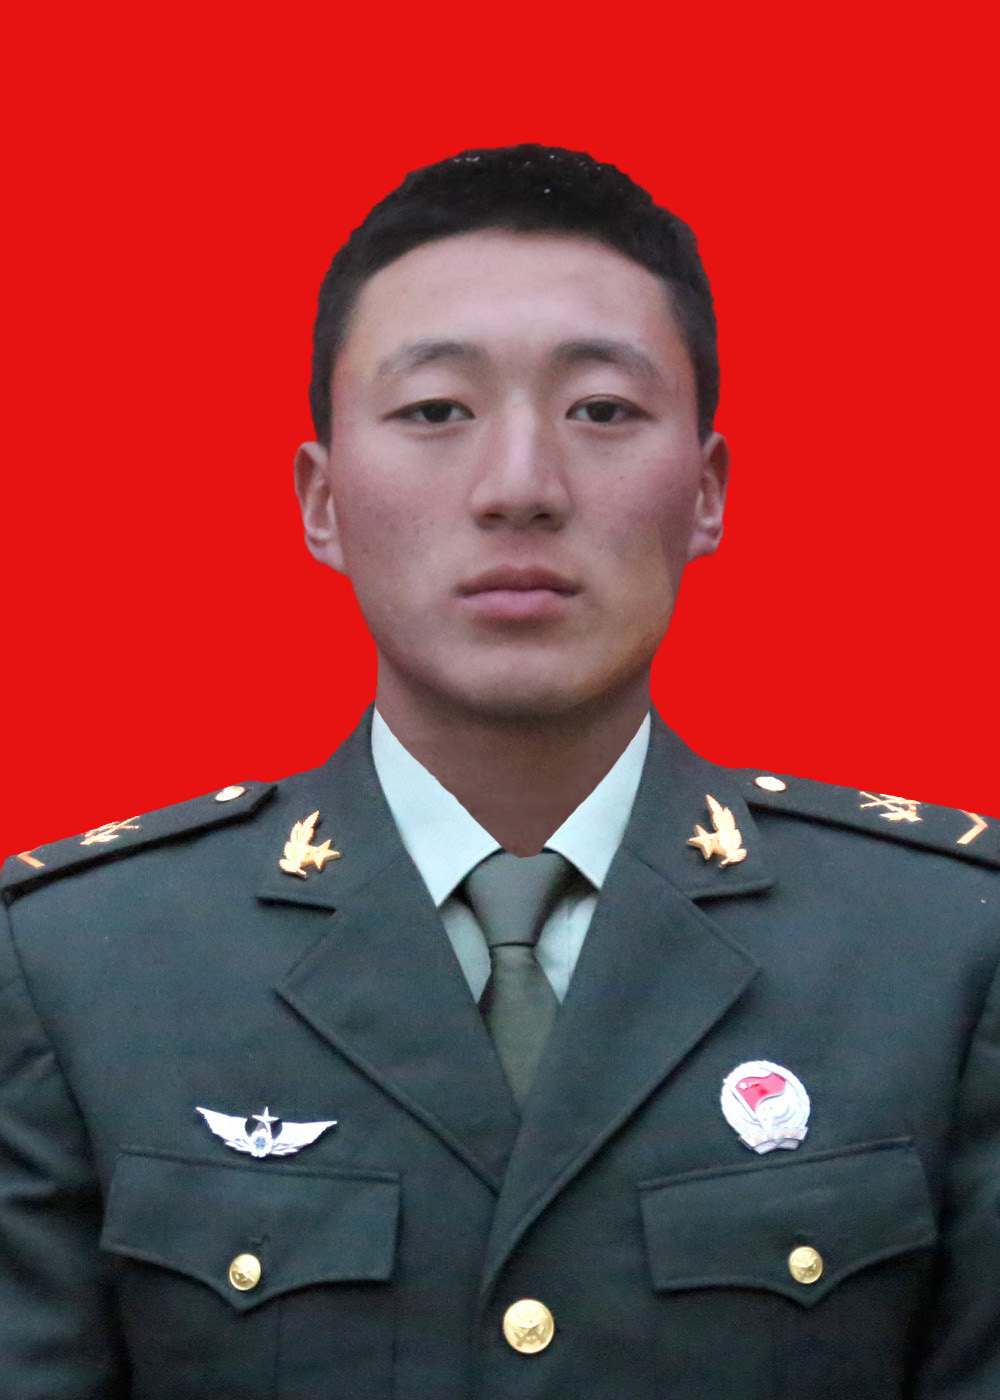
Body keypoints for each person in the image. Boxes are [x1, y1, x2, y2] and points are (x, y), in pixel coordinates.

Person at [1, 145, 998, 1400]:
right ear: (320, 500)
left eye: (601, 411)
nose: (519, 488)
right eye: (436, 411)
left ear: (706, 491)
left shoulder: (942, 949)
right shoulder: (78, 967)